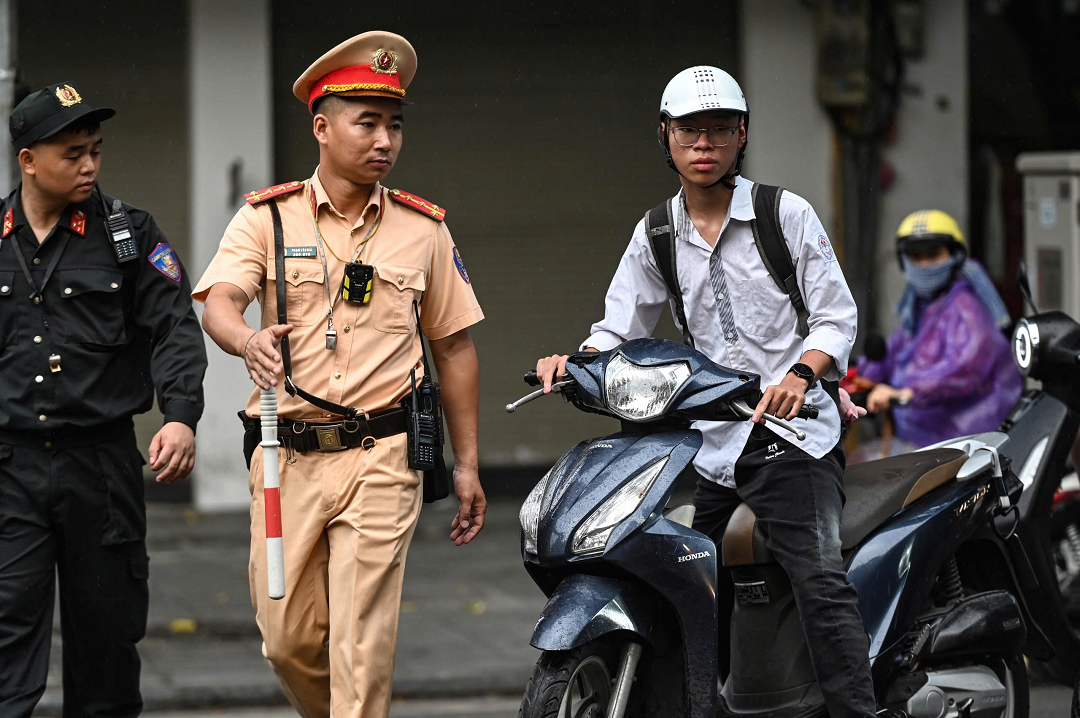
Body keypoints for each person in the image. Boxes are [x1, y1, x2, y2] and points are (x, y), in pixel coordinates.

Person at [536, 66, 879, 716]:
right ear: (664, 137)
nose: (704, 143)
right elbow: (618, 327)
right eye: (689, 130)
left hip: (793, 435)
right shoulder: (657, 234)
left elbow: (837, 315)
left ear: (741, 135)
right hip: (714, 445)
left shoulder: (785, 214)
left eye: (720, 129)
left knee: (819, 579)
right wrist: (572, 363)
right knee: (693, 585)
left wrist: (801, 374)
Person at [194, 31, 487, 718]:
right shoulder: (266, 218)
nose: (385, 140)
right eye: (368, 123)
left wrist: (468, 463)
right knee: (286, 640)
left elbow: (455, 348)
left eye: (394, 125)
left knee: (361, 645)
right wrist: (246, 340)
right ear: (322, 128)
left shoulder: (424, 230)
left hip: (382, 457)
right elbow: (220, 301)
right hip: (284, 459)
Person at [0, 82, 207, 717]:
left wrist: (179, 417)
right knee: (6, 631)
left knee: (107, 641)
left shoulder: (128, 235)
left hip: (103, 467)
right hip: (11, 468)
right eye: (73, 153)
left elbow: (173, 325)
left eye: (96, 150)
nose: (90, 165)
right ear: (28, 159)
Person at [859, 210, 1022, 447]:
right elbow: (898, 352)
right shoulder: (916, 305)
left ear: (955, 255)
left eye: (934, 254)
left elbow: (966, 369)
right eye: (916, 255)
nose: (924, 264)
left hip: (965, 444)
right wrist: (863, 375)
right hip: (923, 442)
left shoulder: (965, 307)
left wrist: (906, 393)